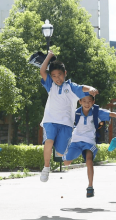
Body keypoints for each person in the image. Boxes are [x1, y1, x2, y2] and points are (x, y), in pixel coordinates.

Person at [40, 50, 98, 182]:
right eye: (54, 76)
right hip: (50, 120)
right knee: (48, 140)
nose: (57, 78)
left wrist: (91, 89)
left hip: (66, 124)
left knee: (60, 153)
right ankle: (46, 168)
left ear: (65, 74)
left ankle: (59, 149)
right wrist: (49, 56)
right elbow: (42, 71)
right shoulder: (50, 85)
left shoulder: (71, 87)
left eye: (59, 75)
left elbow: (83, 87)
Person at [63, 95, 116, 197]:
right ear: (80, 102)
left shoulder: (97, 112)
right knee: (66, 163)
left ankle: (90, 186)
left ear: (93, 102)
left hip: (89, 141)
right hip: (76, 140)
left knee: (89, 161)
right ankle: (75, 153)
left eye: (89, 101)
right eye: (84, 101)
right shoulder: (76, 113)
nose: (87, 103)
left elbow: (112, 114)